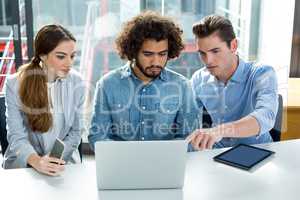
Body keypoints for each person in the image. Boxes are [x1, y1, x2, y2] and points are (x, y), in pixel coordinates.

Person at [88, 11, 199, 150]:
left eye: (162, 54)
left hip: (166, 164)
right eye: (148, 54)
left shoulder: (182, 86)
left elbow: (190, 137)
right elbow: (97, 137)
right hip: (121, 164)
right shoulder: (107, 84)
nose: (156, 61)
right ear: (133, 51)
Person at [3, 24, 85, 176]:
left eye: (72, 56)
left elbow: (76, 131)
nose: (69, 63)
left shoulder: (77, 82)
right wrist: (37, 161)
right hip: (25, 164)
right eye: (61, 56)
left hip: (63, 163)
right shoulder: (15, 84)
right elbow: (16, 136)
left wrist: (53, 161)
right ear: (42, 55)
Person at [188, 15, 278, 150]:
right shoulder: (198, 79)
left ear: (233, 45)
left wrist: (219, 131)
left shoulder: (262, 74)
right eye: (202, 53)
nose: (208, 60)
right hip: (216, 152)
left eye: (215, 51)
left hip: (258, 150)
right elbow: (188, 118)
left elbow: (266, 116)